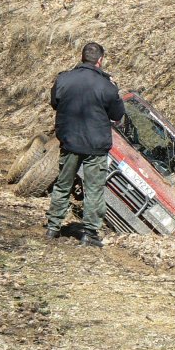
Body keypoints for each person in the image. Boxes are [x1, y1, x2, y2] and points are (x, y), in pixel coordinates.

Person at [45, 42, 125, 248]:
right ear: (100, 60)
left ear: (82, 57)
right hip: (95, 146)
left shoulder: (63, 79)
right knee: (94, 190)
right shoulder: (107, 86)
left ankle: (53, 227)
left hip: (70, 141)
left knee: (63, 185)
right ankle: (89, 233)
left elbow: (54, 103)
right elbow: (117, 114)